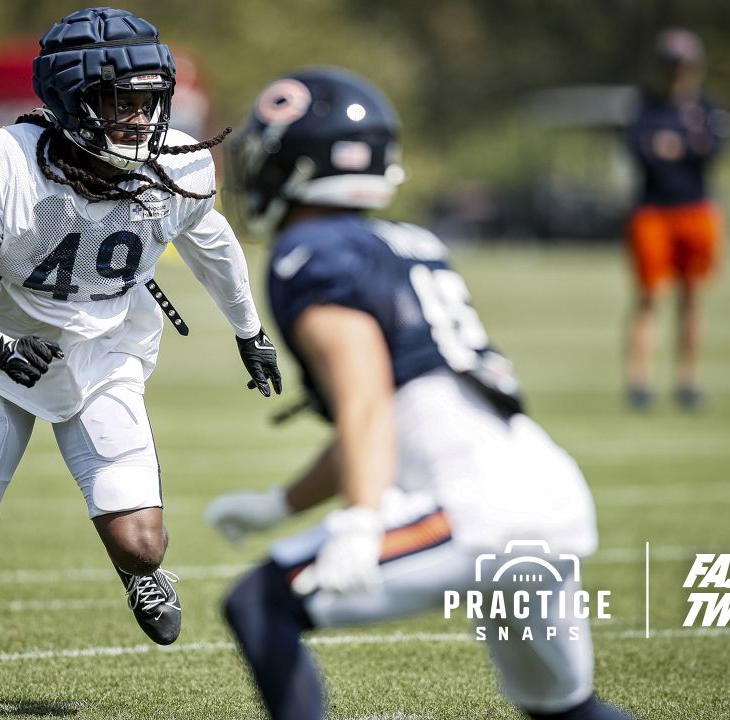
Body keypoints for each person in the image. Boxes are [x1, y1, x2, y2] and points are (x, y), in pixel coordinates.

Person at [0, 7, 281, 710]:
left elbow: (212, 239)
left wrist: (248, 330)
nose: (142, 121)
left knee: (142, 545)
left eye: (150, 101)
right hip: (2, 362)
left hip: (105, 353)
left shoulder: (177, 166)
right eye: (122, 102)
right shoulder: (4, 164)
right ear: (76, 100)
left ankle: (138, 572)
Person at [206, 68, 634, 720]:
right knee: (567, 711)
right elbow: (389, 416)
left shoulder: (310, 252)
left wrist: (359, 518)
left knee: (259, 604)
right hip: (548, 493)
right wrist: (277, 505)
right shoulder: (408, 242)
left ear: (294, 163)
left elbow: (367, 398)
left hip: (478, 511)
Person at [624, 28, 730, 411]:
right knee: (649, 296)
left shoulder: (707, 108)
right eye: (671, 66)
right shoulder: (645, 106)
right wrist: (683, 147)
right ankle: (639, 383)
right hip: (653, 211)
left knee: (692, 296)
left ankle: (688, 381)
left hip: (696, 210)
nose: (677, 73)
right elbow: (641, 149)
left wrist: (676, 147)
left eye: (683, 65)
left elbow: (713, 150)